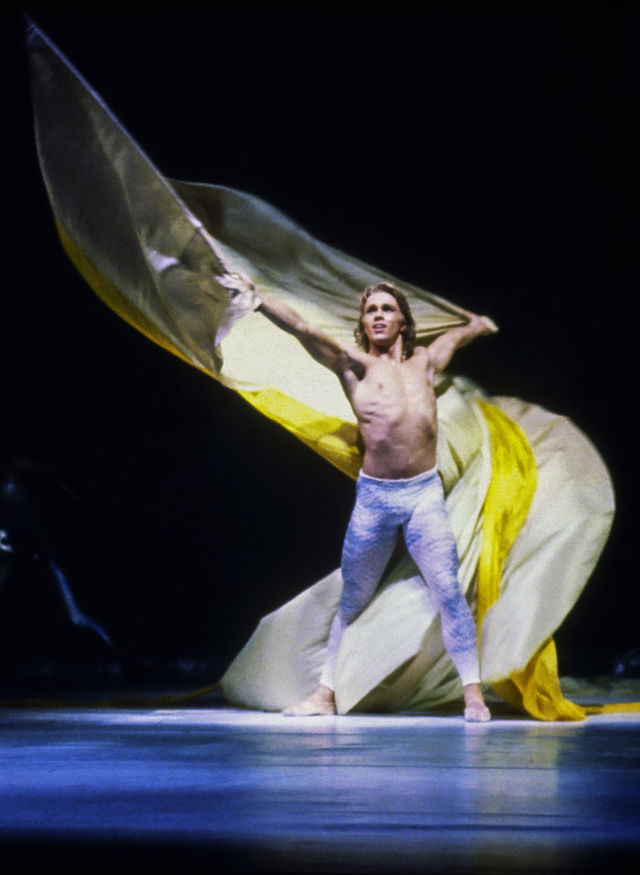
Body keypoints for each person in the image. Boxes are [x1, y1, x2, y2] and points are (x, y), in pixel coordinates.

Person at [252, 280, 496, 721]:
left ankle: (473, 696)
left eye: (387, 308)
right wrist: (257, 298)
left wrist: (477, 326)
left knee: (448, 591)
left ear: (403, 320)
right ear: (363, 323)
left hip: (423, 495)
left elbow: (456, 336)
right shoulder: (353, 365)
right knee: (353, 599)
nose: (378, 315)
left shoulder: (424, 362)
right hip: (375, 499)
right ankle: (324, 695)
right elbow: (303, 327)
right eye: (371, 311)